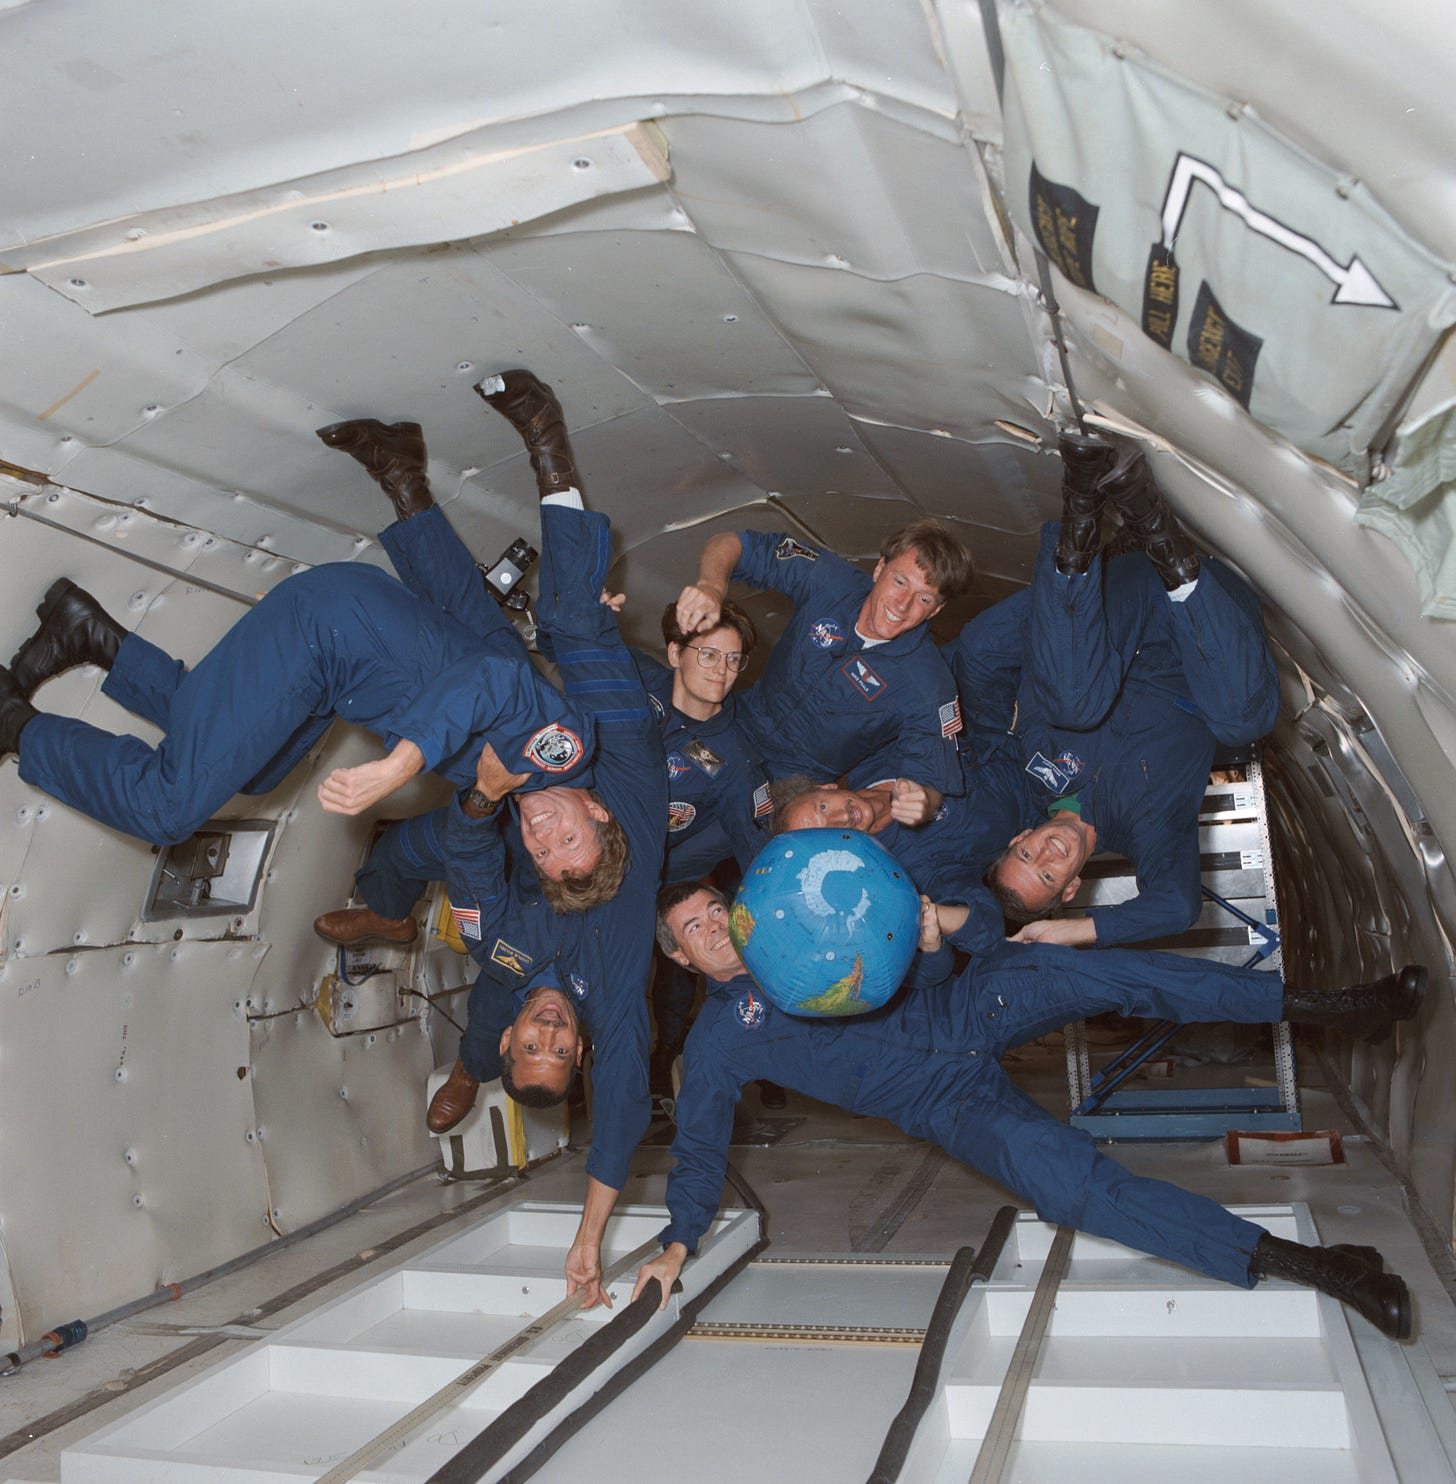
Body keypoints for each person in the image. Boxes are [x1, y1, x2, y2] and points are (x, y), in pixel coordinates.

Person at [632, 883, 1425, 1341]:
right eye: (691, 932)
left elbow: (936, 964)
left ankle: (1338, 1007)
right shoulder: (716, 1048)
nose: (714, 933)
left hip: (976, 1005)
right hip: (945, 1103)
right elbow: (699, 1153)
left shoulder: (810, 923)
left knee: (1112, 978)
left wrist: (931, 940)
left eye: (715, 912)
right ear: (679, 958)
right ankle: (1315, 1267)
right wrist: (674, 1242)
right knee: (1071, 1189)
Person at [313, 371, 666, 1308]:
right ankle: (546, 433)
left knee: (471, 634)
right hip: (617, 759)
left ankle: (401, 474)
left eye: (531, 1044)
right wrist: (591, 1237)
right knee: (565, 615)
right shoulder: (619, 1006)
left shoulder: (506, 953)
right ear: (581, 1051)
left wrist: (482, 804)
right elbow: (624, 1119)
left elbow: (471, 864)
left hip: (534, 773)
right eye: (561, 1044)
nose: (550, 1030)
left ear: (513, 1036)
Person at [933, 432, 1280, 947]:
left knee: (1064, 698)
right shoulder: (1150, 830)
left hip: (1128, 598)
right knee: (1245, 723)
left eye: (1027, 855)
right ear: (1072, 888)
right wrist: (1081, 932)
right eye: (1049, 875)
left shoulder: (1028, 768)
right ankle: (1157, 530)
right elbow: (1178, 906)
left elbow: (979, 672)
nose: (1047, 854)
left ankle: (1082, 505)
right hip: (1206, 625)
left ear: (1019, 838)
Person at [0, 557, 596, 848]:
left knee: (255, 771)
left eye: (542, 854)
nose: (543, 837)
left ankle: (91, 635)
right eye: (566, 840)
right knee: (168, 811)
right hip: (328, 640)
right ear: (598, 814)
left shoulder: (518, 787)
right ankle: (13, 722)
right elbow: (491, 677)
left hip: (341, 656)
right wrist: (399, 766)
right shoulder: (561, 754)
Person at [675, 515, 974, 794]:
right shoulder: (831, 583)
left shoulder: (929, 684)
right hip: (736, 726)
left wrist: (919, 802)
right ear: (880, 568)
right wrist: (712, 587)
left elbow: (932, 780)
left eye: (924, 598)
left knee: (716, 836)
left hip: (789, 787)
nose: (902, 605)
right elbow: (733, 543)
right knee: (673, 779)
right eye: (899, 581)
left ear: (935, 610)